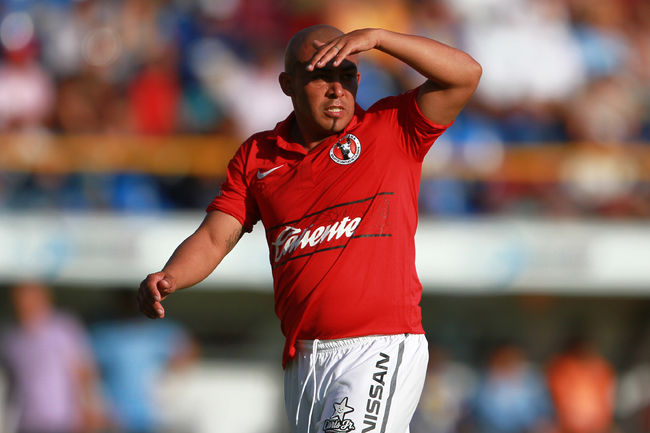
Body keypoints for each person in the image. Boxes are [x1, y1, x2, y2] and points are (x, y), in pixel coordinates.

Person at [138, 25, 481, 433]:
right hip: (303, 361)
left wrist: (378, 38)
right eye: (321, 76)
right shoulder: (258, 156)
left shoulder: (393, 127)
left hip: (377, 347)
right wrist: (171, 276)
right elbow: (215, 236)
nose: (337, 90)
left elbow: (465, 75)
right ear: (288, 84)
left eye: (347, 75)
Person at [0, 281, 105, 433]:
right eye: (19, 297)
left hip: (63, 421)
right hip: (26, 422)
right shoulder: (9, 338)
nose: (24, 302)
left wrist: (89, 408)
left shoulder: (63, 328)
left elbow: (84, 372)